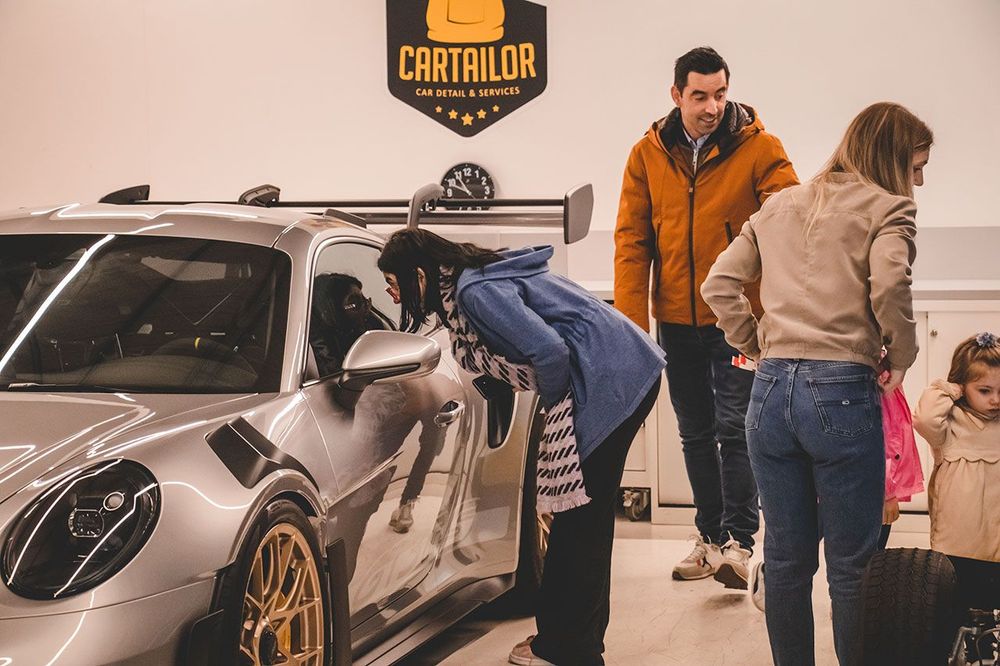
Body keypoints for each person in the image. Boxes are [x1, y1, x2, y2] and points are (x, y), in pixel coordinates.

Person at [701, 101, 933, 665]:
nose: (920, 181)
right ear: (893, 158)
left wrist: (756, 344)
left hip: (769, 395)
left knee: (785, 559)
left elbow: (718, 284)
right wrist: (902, 354)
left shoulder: (780, 204)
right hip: (841, 392)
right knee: (852, 565)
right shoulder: (889, 208)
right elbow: (889, 285)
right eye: (917, 167)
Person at [378, 228, 665, 666]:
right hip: (621, 367)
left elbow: (549, 352)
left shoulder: (473, 293)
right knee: (586, 521)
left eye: (393, 283)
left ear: (419, 275)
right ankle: (577, 641)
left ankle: (566, 648)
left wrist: (555, 408)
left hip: (611, 379)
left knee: (578, 522)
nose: (392, 295)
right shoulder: (471, 280)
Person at [614, 45, 799, 588]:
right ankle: (709, 539)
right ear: (677, 95)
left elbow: (789, 217)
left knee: (736, 428)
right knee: (694, 433)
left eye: (720, 94)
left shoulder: (760, 148)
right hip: (675, 320)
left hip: (737, 321)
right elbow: (632, 242)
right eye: (699, 96)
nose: (712, 107)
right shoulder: (647, 154)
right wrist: (632, 329)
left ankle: (739, 544)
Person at [913, 332, 1000, 658]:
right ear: (963, 386)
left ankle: (986, 646)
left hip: (996, 540)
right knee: (956, 606)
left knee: (991, 605)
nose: (995, 399)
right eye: (984, 390)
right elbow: (924, 419)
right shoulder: (950, 423)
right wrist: (950, 389)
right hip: (958, 543)